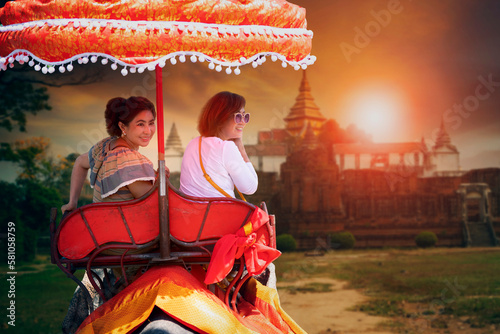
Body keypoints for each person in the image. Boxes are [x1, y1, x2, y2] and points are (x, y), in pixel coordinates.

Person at [61, 96, 168, 334]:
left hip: (104, 239)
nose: (148, 130)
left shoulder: (103, 147)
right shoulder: (130, 160)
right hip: (130, 244)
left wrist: (73, 201)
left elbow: (79, 164)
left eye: (151, 123)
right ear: (122, 126)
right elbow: (153, 203)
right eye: (140, 124)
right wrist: (161, 179)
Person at [180, 91, 257, 199]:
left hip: (190, 212)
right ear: (222, 118)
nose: (243, 122)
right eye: (238, 117)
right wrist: (241, 148)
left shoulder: (193, 143)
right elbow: (250, 188)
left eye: (245, 116)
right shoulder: (226, 148)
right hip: (220, 214)